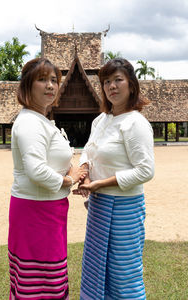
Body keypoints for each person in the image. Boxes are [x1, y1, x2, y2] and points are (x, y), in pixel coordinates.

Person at [74, 58, 155, 299]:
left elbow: (145, 170)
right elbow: (88, 150)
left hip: (124, 208)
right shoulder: (101, 120)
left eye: (118, 80)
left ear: (131, 84)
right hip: (99, 206)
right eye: (107, 81)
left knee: (123, 274)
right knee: (97, 271)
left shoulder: (135, 123)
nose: (112, 86)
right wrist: (85, 170)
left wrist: (102, 183)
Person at [8, 58, 86, 300]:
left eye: (54, 80)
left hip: (48, 208)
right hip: (36, 210)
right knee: (43, 282)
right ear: (28, 86)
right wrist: (69, 180)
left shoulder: (40, 119)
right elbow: (37, 170)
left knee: (47, 277)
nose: (50, 85)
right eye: (42, 79)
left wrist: (74, 170)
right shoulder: (30, 122)